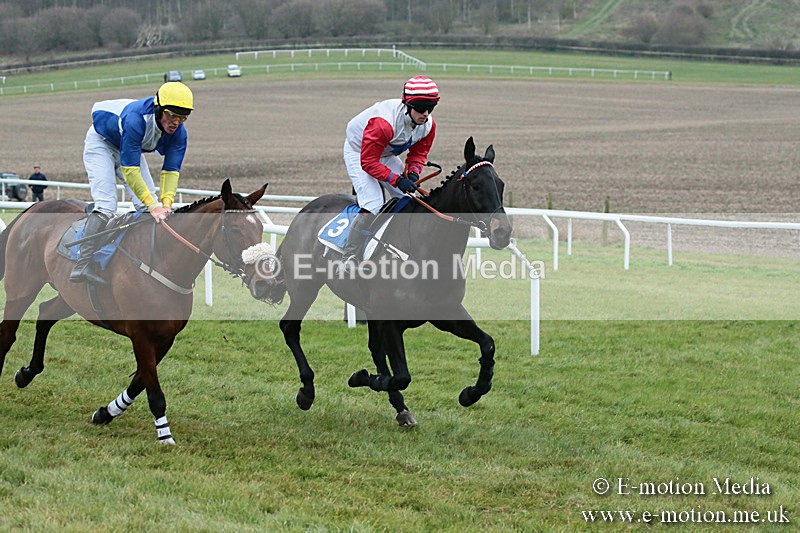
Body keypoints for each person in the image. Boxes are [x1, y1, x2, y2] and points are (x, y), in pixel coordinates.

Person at [70, 81, 194, 285]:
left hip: (128, 146)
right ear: (159, 109)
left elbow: (171, 171)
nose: (176, 122)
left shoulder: (180, 133)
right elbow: (130, 170)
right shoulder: (136, 120)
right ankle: (82, 264)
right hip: (102, 143)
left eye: (183, 117)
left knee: (149, 205)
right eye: (172, 115)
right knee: (107, 205)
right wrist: (153, 206)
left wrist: (165, 204)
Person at [339, 75, 439, 273]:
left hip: (385, 153)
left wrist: (413, 173)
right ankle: (349, 256)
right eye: (421, 108)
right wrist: (397, 180)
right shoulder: (383, 123)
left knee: (408, 199)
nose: (425, 114)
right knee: (373, 204)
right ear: (408, 104)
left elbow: (418, 154)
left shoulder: (428, 125)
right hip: (359, 153)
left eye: (431, 108)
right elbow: (368, 162)